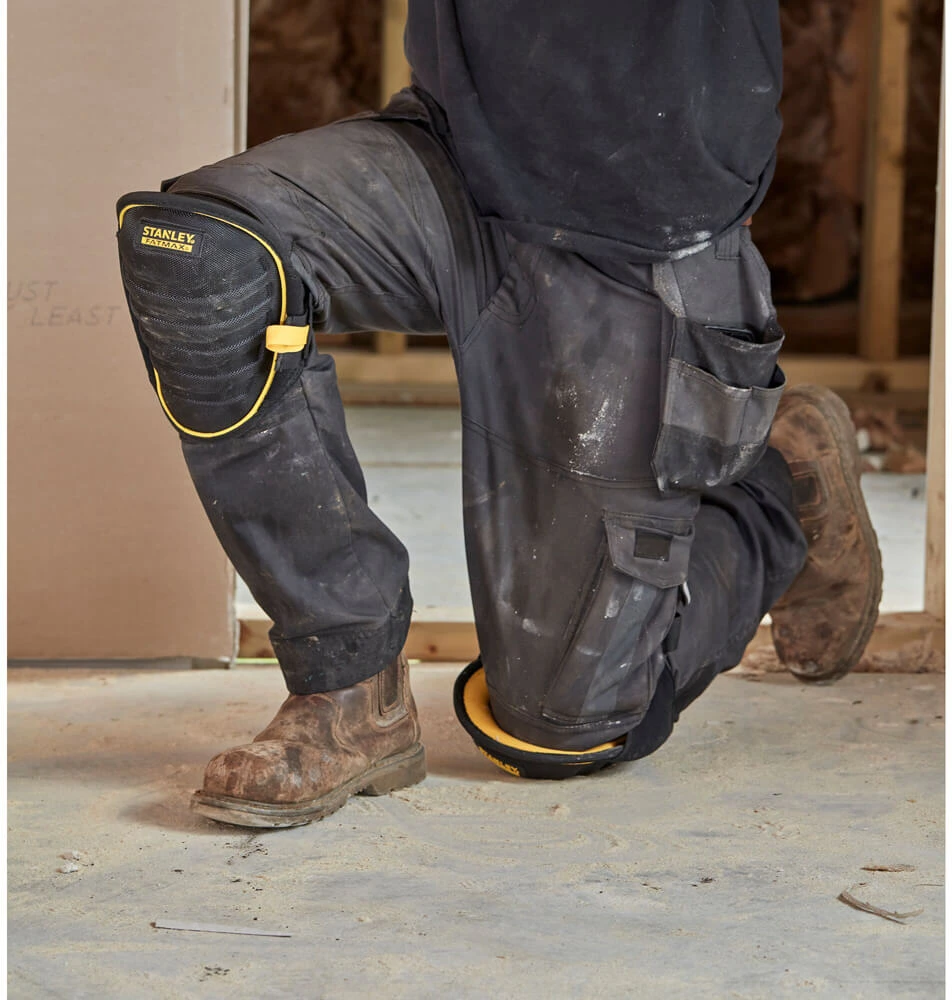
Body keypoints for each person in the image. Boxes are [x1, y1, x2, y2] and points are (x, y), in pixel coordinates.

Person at [115, 1, 882, 828]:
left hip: (638, 222)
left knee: (562, 720)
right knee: (203, 249)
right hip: (459, 157)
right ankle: (348, 677)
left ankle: (776, 489)